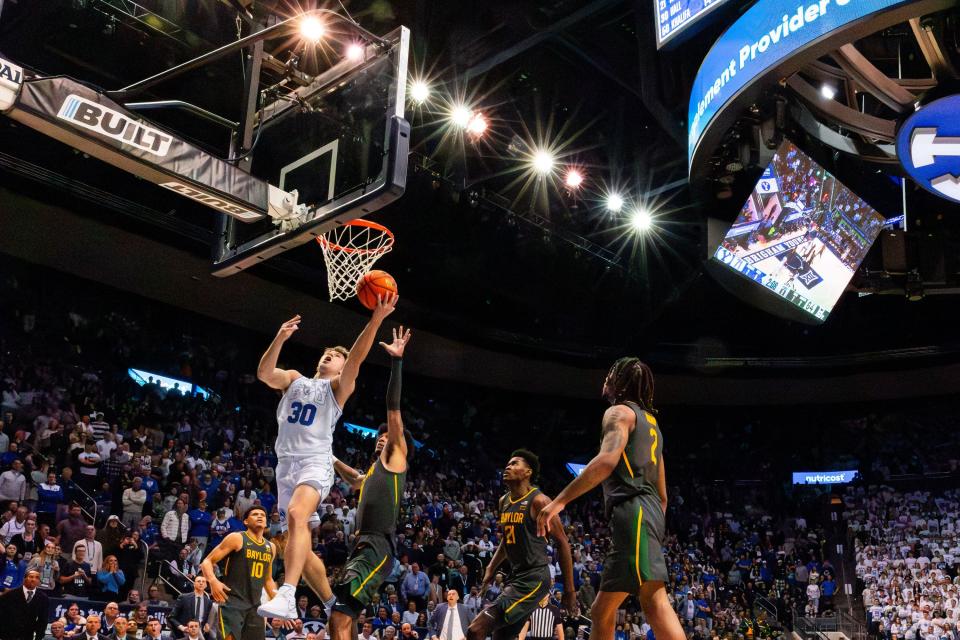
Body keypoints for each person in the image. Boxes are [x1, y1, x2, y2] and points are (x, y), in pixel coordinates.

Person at [257, 298, 397, 619]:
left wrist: (375, 319)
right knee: (297, 544)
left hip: (315, 462)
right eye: (327, 353)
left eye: (336, 356)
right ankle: (332, 601)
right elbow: (265, 373)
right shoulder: (294, 379)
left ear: (340, 368)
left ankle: (288, 594)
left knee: (296, 513)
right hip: (286, 467)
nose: (329, 355)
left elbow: (357, 359)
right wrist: (279, 337)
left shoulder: (337, 388)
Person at [536, 358, 684, 640]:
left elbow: (605, 462)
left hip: (633, 512)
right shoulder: (653, 426)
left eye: (610, 374)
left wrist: (558, 502)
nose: (605, 379)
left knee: (649, 605)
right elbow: (663, 496)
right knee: (612, 609)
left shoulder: (619, 413)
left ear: (618, 381)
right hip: (649, 514)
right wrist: (650, 526)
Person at [327, 327, 413, 640]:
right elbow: (354, 477)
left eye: (387, 435)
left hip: (378, 546)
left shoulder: (395, 458)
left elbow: (394, 406)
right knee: (342, 618)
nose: (382, 437)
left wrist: (397, 362)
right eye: (379, 435)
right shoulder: (375, 471)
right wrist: (327, 453)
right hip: (363, 546)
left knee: (340, 615)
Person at [466, 450, 576, 640]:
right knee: (501, 636)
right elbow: (507, 539)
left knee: (476, 629)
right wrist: (491, 567)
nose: (508, 466)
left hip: (535, 578)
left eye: (515, 463)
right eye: (508, 463)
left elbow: (563, 543)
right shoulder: (504, 501)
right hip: (516, 577)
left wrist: (569, 591)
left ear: (528, 472)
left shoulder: (540, 501)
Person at [200, 506, 278, 640]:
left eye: (262, 515)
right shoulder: (237, 538)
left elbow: (268, 579)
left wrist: (279, 603)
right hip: (233, 603)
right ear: (246, 521)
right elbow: (207, 562)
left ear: (266, 523)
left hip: (255, 606)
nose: (259, 516)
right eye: (254, 514)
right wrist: (213, 581)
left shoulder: (271, 547)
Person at [0, 568, 48, 640]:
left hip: (27, 636)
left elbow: (43, 620)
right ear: (24, 579)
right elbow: (2, 615)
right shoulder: (10, 595)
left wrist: (39, 637)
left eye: (37, 578)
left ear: (39, 581)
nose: (33, 579)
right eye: (31, 577)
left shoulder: (43, 598)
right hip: (8, 635)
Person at [169, 575, 213, 639]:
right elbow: (171, 617)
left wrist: (206, 627)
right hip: (183, 634)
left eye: (203, 582)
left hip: (199, 634)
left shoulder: (208, 602)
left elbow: (205, 619)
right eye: (198, 581)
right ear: (194, 584)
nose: (201, 583)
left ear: (206, 585)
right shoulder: (184, 598)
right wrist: (182, 627)